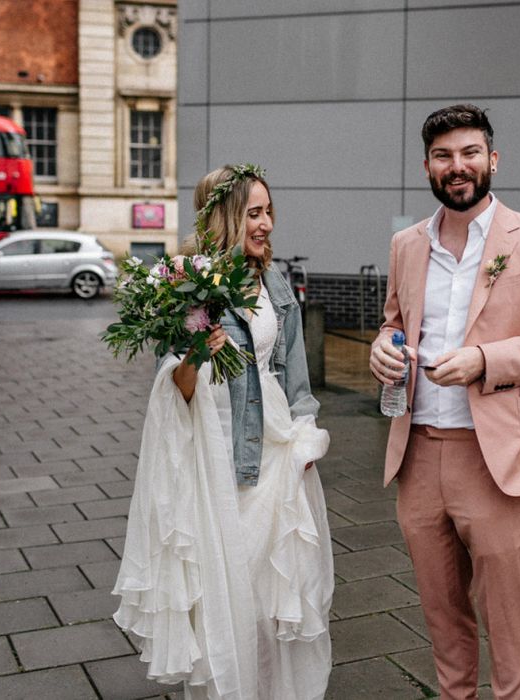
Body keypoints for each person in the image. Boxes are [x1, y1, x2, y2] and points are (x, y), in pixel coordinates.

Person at [370, 105, 520, 699]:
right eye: (443, 156)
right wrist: (382, 349)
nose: (457, 166)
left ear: (492, 160)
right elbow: (394, 324)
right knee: (442, 614)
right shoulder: (405, 245)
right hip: (416, 454)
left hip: (495, 458)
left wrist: (487, 361)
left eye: (469, 153)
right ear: (427, 167)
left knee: (507, 616)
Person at [113, 165, 333, 700]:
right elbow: (177, 389)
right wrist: (193, 351)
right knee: (224, 597)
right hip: (216, 461)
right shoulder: (191, 283)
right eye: (253, 213)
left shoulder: (276, 285)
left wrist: (305, 442)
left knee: (270, 603)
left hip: (278, 459)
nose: (265, 224)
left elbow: (295, 378)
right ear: (225, 218)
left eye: (268, 211)